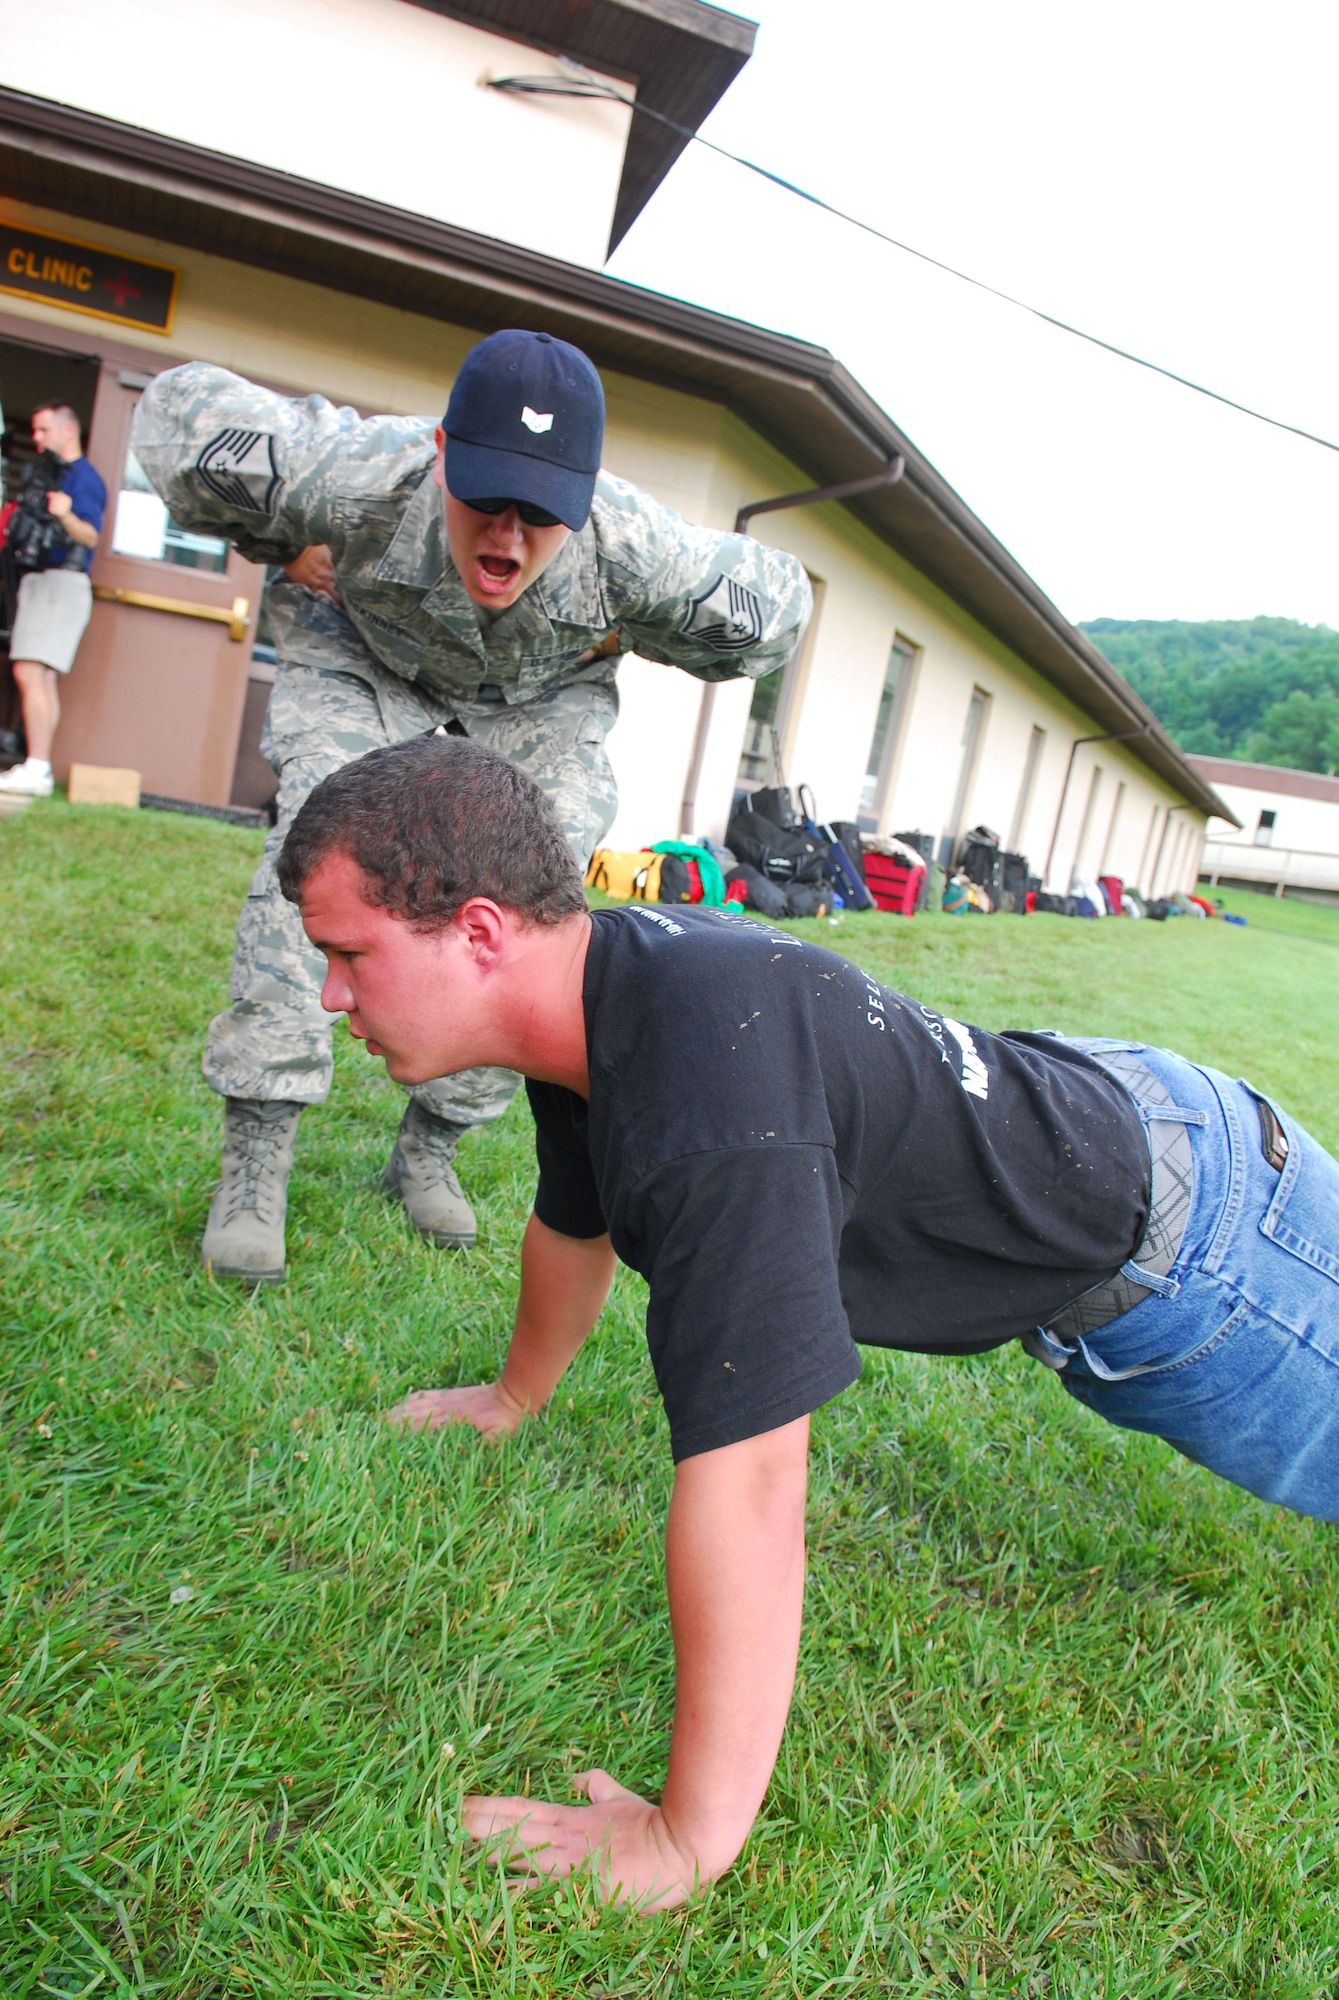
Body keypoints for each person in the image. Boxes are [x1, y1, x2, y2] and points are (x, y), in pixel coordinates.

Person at [276, 734, 1339, 1911]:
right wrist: (512, 1395)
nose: (331, 997)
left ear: (478, 931)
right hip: (1119, 1111)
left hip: (1210, 1247)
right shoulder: (595, 985)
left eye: (348, 954)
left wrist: (685, 1839)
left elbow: (753, 1482)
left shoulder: (711, 1113)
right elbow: (572, 1222)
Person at [131, 330, 810, 1284]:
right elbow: (174, 421)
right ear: (443, 452)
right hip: (363, 656)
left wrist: (647, 624)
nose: (507, 535)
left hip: (538, 698)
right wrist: (277, 542)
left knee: (535, 912)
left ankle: (431, 1143)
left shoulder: (635, 550)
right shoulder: (360, 473)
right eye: (485, 498)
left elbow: (772, 618)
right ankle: (257, 1154)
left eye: (540, 512)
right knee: (319, 863)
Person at [0, 403, 106, 799]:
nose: (38, 438)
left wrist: (63, 515)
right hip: (40, 581)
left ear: (66, 430)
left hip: (62, 584)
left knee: (31, 670)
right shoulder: (49, 474)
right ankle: (37, 764)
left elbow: (90, 536)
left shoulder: (85, 479)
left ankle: (38, 767)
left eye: (43, 430)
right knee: (36, 674)